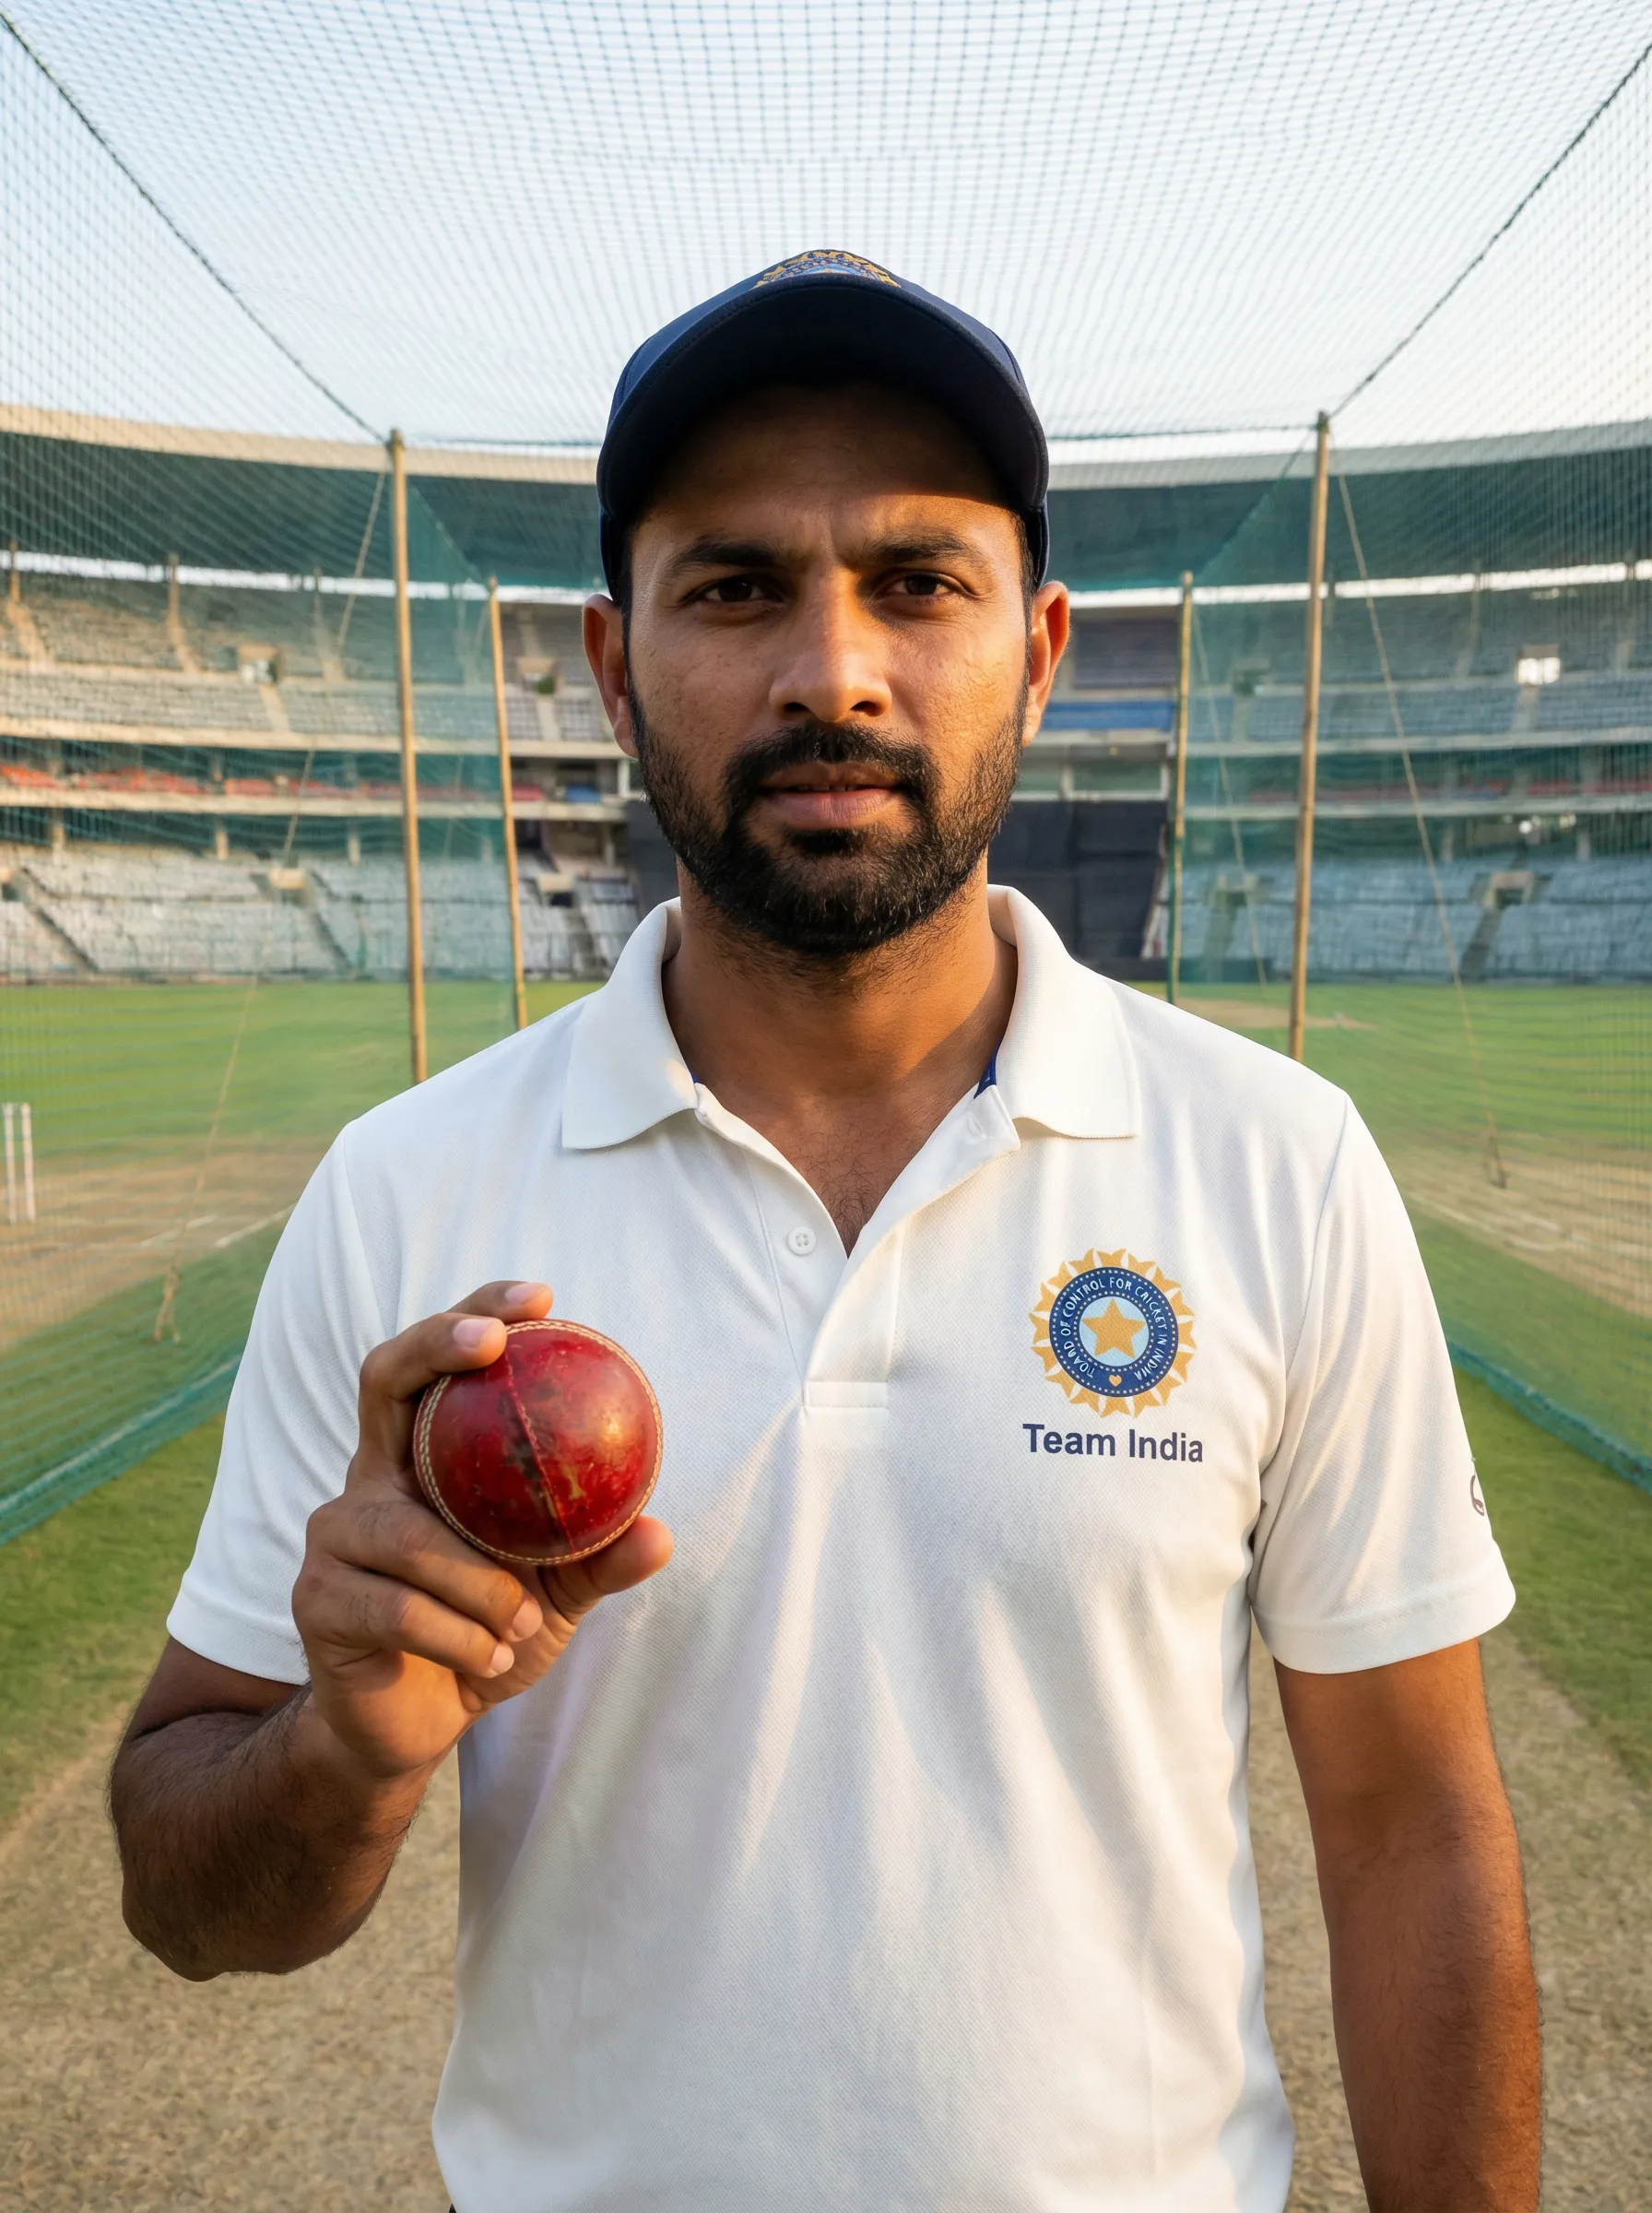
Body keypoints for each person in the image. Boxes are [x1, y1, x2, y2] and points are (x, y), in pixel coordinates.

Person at [113, 251, 1540, 2213]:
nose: (831, 671)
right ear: (613, 665)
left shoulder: (1272, 1158)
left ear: (1035, 650)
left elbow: (1407, 1830)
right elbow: (192, 1901)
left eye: (915, 583)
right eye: (732, 586)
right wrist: (343, 1754)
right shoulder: (409, 1188)